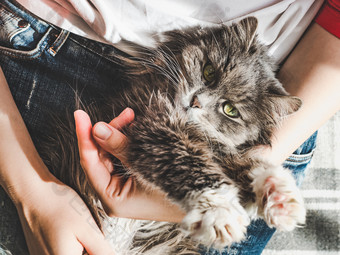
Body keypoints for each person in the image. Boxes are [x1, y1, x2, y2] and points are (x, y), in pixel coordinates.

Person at [0, 0, 339, 254]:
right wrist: (33, 194)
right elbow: (157, 130)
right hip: (47, 42)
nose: (199, 102)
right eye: (207, 80)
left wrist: (261, 160)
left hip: (276, 112)